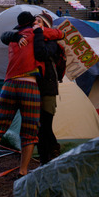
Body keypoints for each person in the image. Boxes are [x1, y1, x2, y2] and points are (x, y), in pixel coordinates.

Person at [0, 11, 61, 181]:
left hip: (9, 84)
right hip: (29, 85)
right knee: (29, 131)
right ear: (31, 23)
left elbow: (4, 36)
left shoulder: (15, 37)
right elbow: (60, 33)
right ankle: (23, 171)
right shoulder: (37, 33)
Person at [33, 11, 66, 165]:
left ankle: (45, 160)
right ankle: (52, 149)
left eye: (39, 21)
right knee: (40, 125)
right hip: (33, 86)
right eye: (34, 21)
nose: (35, 23)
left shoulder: (52, 43)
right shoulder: (32, 38)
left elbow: (41, 54)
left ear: (45, 25)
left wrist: (39, 34)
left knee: (44, 124)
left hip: (48, 86)